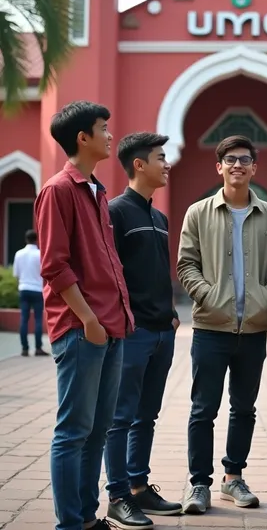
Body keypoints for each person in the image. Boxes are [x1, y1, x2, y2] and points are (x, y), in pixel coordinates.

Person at [34, 101, 134, 530]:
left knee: (97, 430)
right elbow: (54, 265)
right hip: (81, 329)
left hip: (111, 327)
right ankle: (70, 524)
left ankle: (86, 518)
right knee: (73, 431)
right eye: (103, 128)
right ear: (83, 138)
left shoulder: (96, 191)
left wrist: (115, 320)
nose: (110, 136)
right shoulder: (58, 190)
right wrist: (89, 321)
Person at [177, 135, 267, 515]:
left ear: (254, 168)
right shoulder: (198, 213)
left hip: (253, 331)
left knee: (244, 408)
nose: (237, 165)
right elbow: (185, 264)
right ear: (219, 166)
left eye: (244, 159)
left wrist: (265, 297)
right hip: (210, 328)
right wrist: (209, 295)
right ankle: (198, 485)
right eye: (229, 159)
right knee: (202, 409)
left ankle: (233, 478)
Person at [104, 132, 182, 527]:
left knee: (146, 416)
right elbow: (109, 273)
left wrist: (169, 313)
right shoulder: (115, 212)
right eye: (160, 157)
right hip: (132, 333)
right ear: (139, 164)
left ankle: (138, 487)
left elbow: (157, 271)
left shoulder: (159, 216)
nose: (167, 164)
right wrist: (126, 318)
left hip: (161, 332)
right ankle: (117, 495)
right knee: (121, 417)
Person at [13, 229, 48, 357]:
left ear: (26, 239)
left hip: (24, 288)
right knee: (38, 319)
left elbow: (16, 274)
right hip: (37, 289)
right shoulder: (40, 255)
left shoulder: (18, 254)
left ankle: (24, 348)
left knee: (24, 319)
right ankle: (38, 348)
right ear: (36, 240)